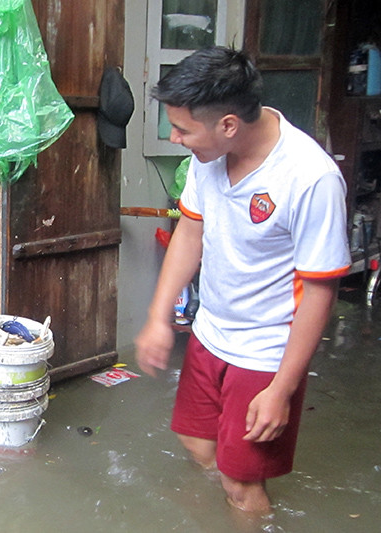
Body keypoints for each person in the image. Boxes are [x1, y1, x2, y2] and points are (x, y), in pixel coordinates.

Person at [134, 47, 350, 513]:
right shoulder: (207, 159)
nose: (175, 138)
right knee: (195, 443)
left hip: (267, 351)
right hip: (211, 333)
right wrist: (157, 317)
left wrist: (282, 390)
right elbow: (190, 235)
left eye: (184, 129)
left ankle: (245, 503)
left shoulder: (311, 178)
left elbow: (320, 291)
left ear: (228, 124)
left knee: (241, 484)